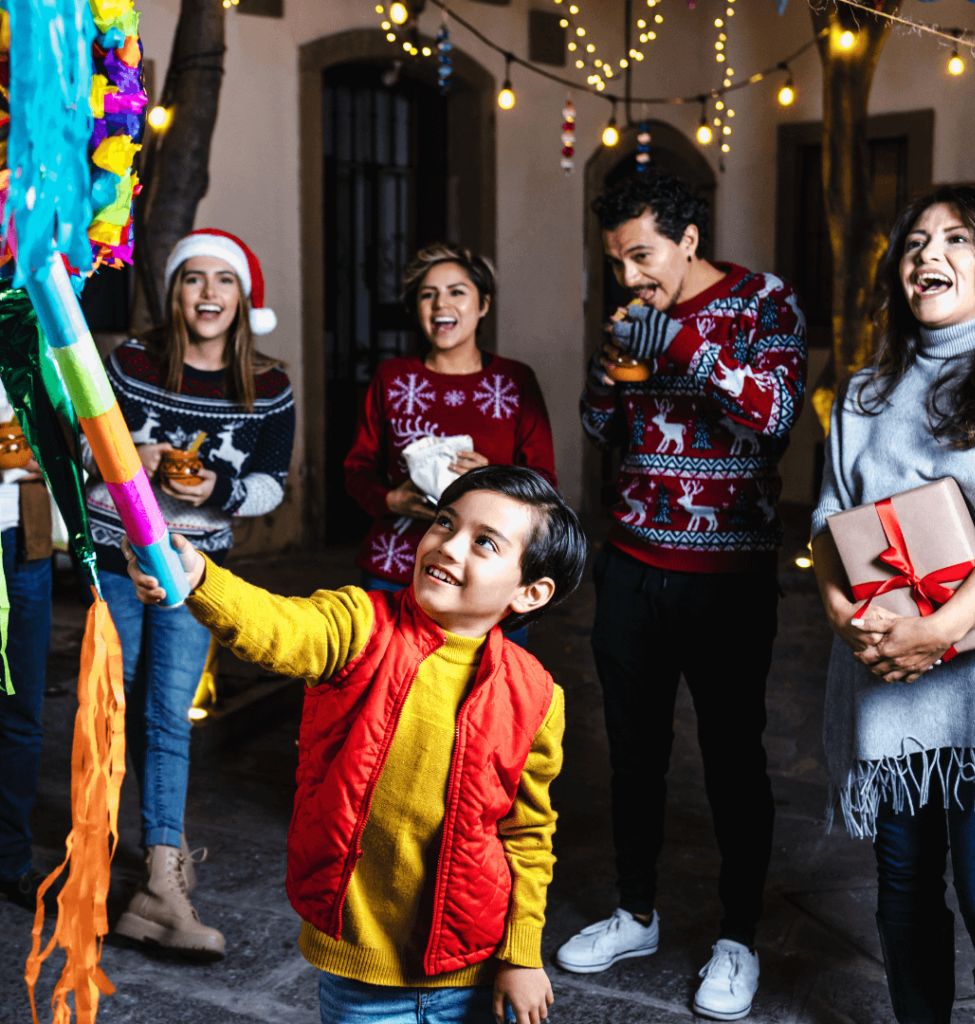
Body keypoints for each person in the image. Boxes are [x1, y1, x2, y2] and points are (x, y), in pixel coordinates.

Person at [121, 465, 587, 1024]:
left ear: (530, 593)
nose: (446, 546)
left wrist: (522, 954)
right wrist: (201, 579)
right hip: (363, 980)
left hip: (477, 969)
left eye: (484, 542)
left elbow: (527, 835)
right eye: (444, 522)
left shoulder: (537, 696)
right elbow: (280, 626)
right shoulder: (360, 623)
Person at [560, 172, 806, 1021]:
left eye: (642, 255)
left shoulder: (766, 302)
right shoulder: (633, 316)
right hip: (632, 565)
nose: (630, 276)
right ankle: (635, 912)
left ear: (689, 240)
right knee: (632, 753)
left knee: (734, 758)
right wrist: (606, 374)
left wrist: (679, 345)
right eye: (617, 260)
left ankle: (737, 936)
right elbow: (599, 431)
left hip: (728, 578)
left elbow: (775, 413)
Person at [811, 185, 975, 1022]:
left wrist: (939, 629)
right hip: (884, 673)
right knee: (901, 885)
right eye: (914, 244)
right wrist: (846, 619)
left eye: (956, 240)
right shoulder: (861, 396)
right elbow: (829, 519)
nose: (928, 255)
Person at [81, 229, 295, 959]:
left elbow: (271, 484)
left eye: (223, 281)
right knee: (113, 708)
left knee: (166, 713)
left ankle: (162, 878)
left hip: (194, 572)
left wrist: (217, 486)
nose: (208, 294)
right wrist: (124, 455)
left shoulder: (269, 385)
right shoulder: (132, 363)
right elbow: (79, 436)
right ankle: (96, 860)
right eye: (193, 280)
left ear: (243, 298)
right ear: (173, 293)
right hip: (114, 557)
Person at [344, 243, 557, 646]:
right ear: (416, 309)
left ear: (483, 305)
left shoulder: (515, 382)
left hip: (489, 579)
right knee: (388, 694)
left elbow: (544, 484)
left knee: (488, 699)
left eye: (457, 291)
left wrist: (489, 478)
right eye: (428, 294)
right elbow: (357, 470)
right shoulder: (391, 378)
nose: (441, 304)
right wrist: (392, 501)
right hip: (396, 570)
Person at [0, 380, 55, 913]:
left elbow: (78, 447)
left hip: (24, 541)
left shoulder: (30, 334)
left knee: (21, 713)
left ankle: (11, 860)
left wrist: (52, 456)